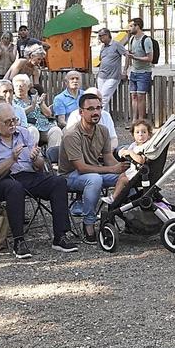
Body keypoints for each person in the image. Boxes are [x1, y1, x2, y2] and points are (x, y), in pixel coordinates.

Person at [0, 101, 76, 258]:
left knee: (58, 182)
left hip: (28, 175)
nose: (12, 124)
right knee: (14, 187)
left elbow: (38, 166)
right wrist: (11, 159)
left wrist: (36, 158)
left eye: (14, 120)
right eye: (7, 122)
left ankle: (60, 236)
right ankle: (19, 240)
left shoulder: (24, 133)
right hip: (1, 180)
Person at [60, 92, 124, 242]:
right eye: (90, 109)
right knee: (94, 180)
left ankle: (125, 217)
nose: (96, 112)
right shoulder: (71, 135)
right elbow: (81, 167)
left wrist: (122, 169)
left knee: (128, 178)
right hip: (70, 176)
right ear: (81, 112)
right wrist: (111, 169)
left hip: (94, 171)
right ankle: (88, 223)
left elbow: (107, 157)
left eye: (98, 108)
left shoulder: (103, 130)